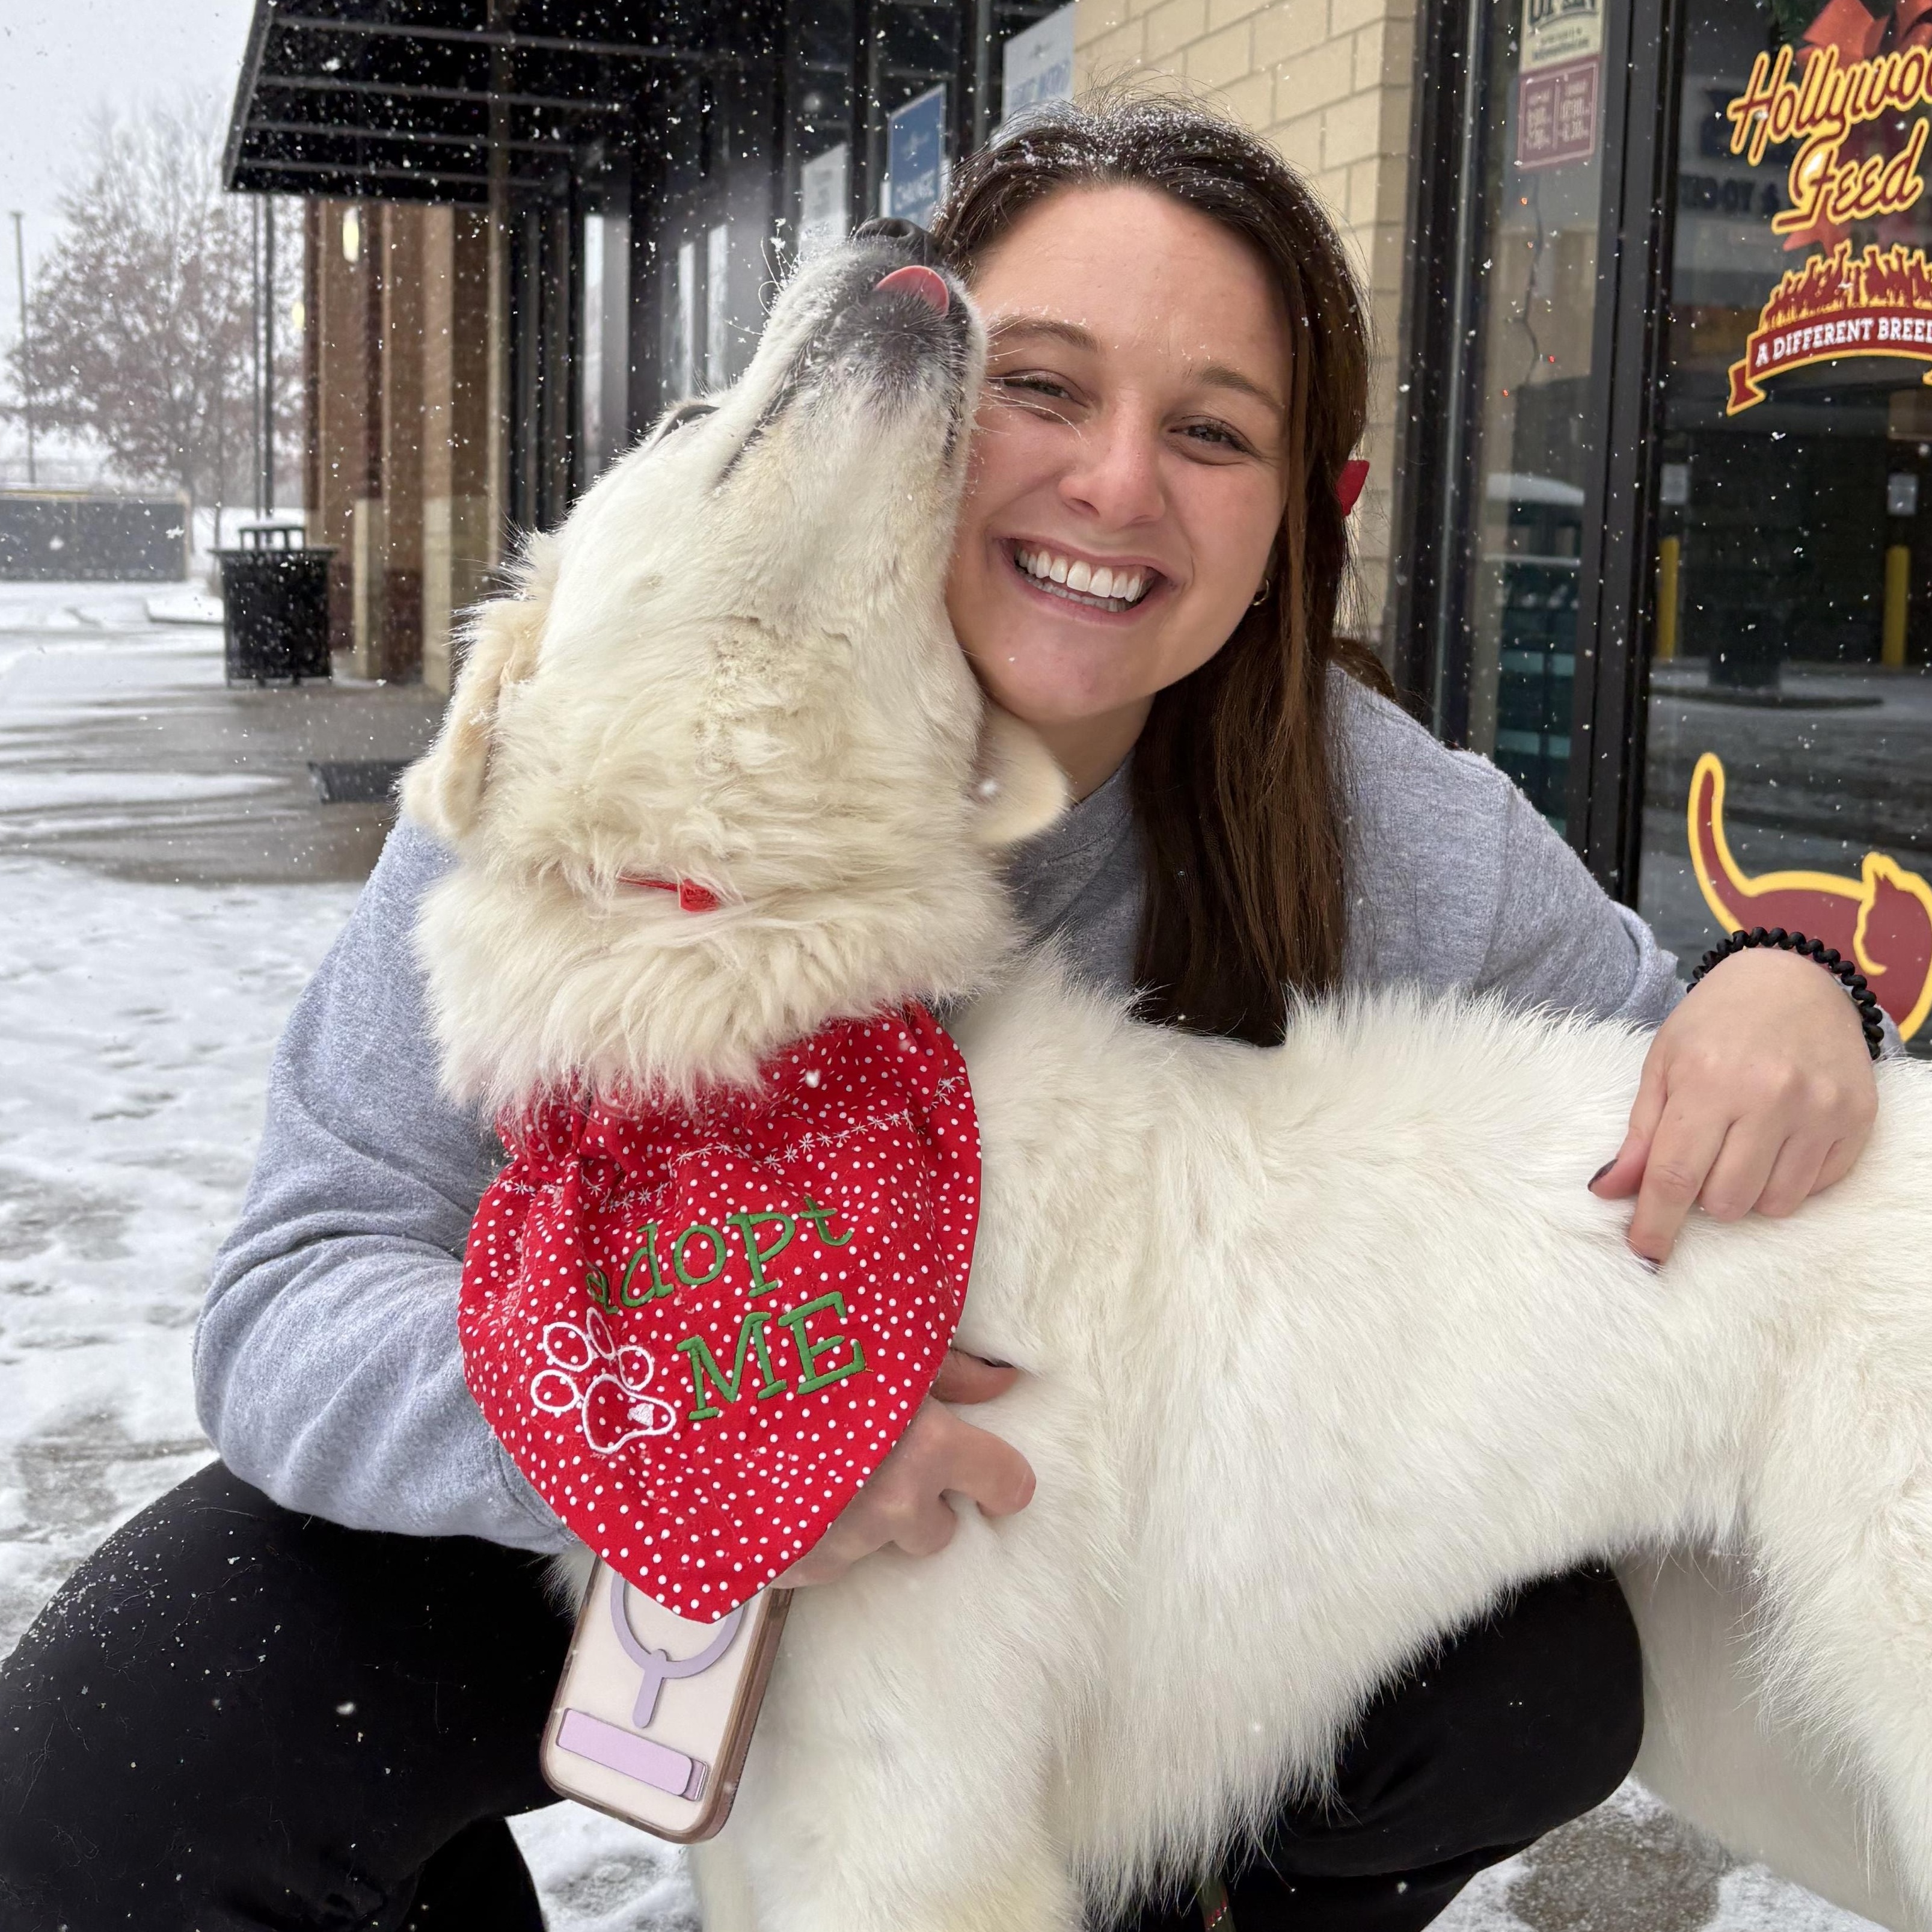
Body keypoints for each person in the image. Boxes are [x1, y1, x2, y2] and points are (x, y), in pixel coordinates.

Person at [0, 95, 1881, 1932]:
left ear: (1314, 507)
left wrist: (1788, 981)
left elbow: (1660, 1052)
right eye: (1043, 388)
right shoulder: (626, 744)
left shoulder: (1366, 809)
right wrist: (697, 1435)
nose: (1115, 485)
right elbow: (295, 1297)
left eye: (1210, 431)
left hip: (1069, 1581)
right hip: (578, 1499)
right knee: (129, 1752)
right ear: (921, 415)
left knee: (1528, 1682)